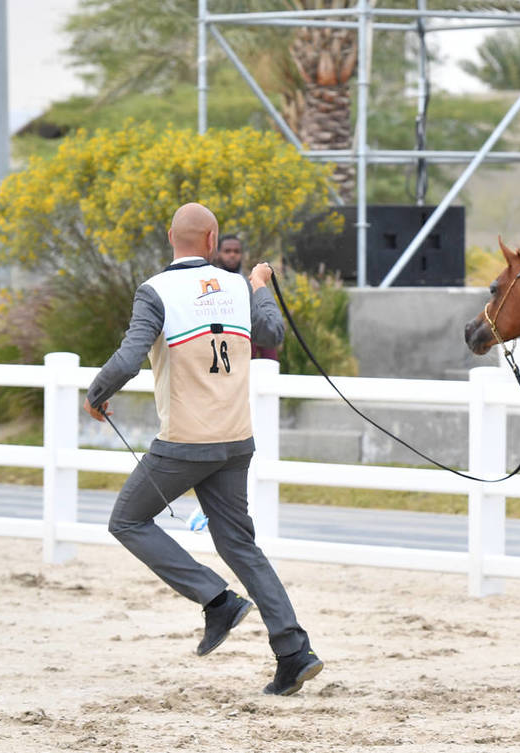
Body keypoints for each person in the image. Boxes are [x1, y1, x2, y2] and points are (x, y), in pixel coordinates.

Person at [82, 202, 322, 696]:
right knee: (240, 545)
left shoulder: (155, 291)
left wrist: (97, 392)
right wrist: (259, 288)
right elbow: (272, 335)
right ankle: (294, 652)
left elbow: (130, 356)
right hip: (236, 440)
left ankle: (217, 601)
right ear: (213, 240)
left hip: (185, 442)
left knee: (126, 521)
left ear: (171, 236)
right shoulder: (238, 286)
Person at [213, 234, 280, 361]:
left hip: (245, 364)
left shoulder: (251, 285)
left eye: (236, 251)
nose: (232, 255)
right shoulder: (209, 286)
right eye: (227, 251)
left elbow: (265, 327)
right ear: (218, 254)